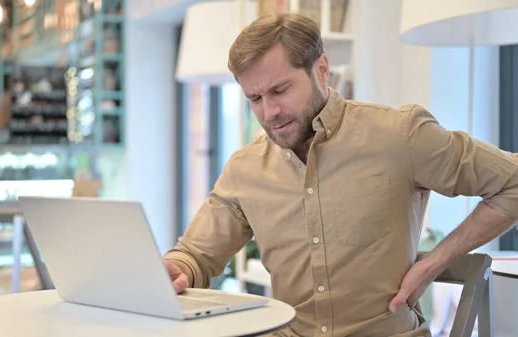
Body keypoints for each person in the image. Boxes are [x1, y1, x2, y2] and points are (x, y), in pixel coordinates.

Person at [163, 12, 518, 337]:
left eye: (280, 90)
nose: (269, 112)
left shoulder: (400, 134)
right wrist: (175, 270)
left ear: (321, 70)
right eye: (254, 98)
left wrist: (435, 263)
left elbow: (512, 181)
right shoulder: (245, 168)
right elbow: (195, 255)